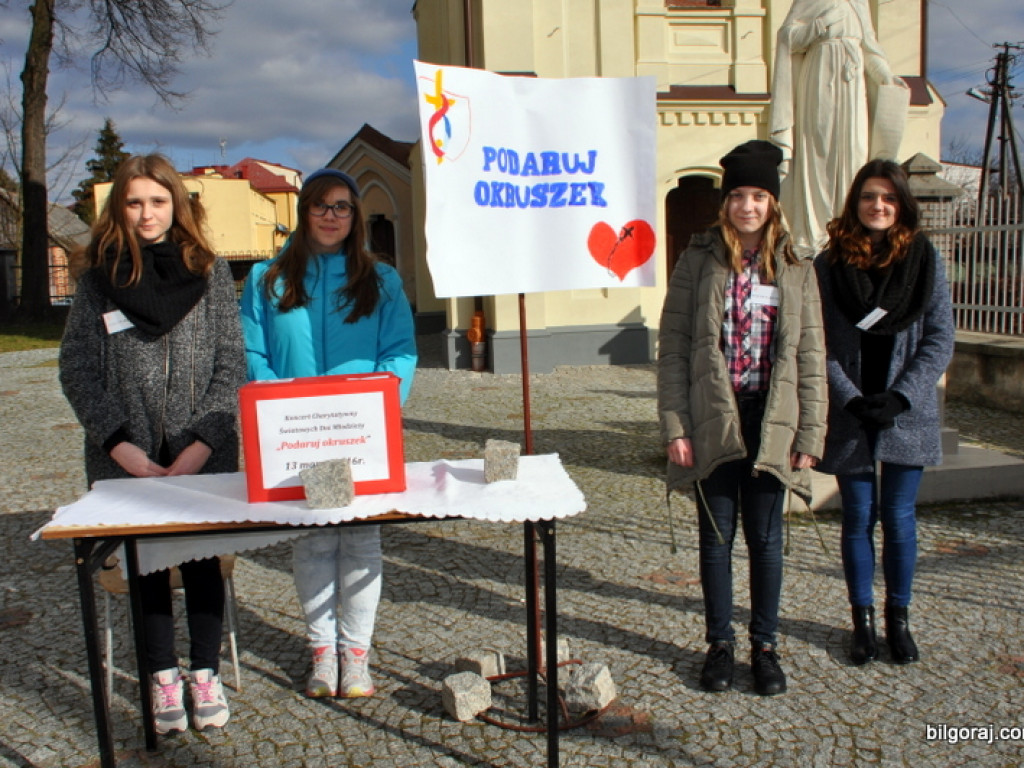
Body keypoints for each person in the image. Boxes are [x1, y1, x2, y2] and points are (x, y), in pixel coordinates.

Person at [59, 154, 245, 733]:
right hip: (128, 456)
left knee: (202, 564)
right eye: (135, 201)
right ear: (119, 208)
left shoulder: (209, 271)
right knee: (147, 568)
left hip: (202, 451)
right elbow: (77, 369)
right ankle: (162, 678)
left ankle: (205, 672)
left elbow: (231, 363)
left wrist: (202, 442)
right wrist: (118, 445)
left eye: (158, 201)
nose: (147, 213)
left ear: (177, 206)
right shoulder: (98, 281)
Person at [657, 140, 827, 696]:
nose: (747, 206)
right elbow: (674, 347)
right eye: (737, 195)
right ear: (724, 201)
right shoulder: (698, 259)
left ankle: (765, 646)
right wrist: (676, 427)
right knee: (716, 537)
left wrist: (810, 432)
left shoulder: (797, 266)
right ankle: (720, 645)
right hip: (714, 415)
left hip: (771, 418)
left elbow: (811, 354)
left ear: (772, 202)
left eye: (758, 196)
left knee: (766, 538)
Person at [240, 168, 417, 699]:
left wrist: (378, 407)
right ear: (304, 212)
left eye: (342, 206)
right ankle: (322, 651)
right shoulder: (267, 279)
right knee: (315, 540)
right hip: (297, 433)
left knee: (361, 540)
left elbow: (400, 352)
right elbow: (253, 353)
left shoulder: (381, 279)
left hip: (359, 432)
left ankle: (356, 655)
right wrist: (278, 408)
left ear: (355, 215)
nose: (331, 216)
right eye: (321, 205)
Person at [814, 159, 954, 666]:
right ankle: (863, 621)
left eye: (889, 198)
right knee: (857, 517)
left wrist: (902, 396)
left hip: (903, 411)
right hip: (851, 410)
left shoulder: (925, 260)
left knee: (898, 518)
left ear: (902, 205)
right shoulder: (829, 265)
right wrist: (849, 395)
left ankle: (899, 618)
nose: (879, 205)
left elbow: (939, 337)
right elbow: (819, 341)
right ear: (856, 201)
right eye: (870, 196)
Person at [769, 0, 909, 258]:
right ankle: (814, 234)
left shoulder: (859, 3)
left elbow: (869, 48)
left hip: (853, 91)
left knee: (855, 153)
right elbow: (788, 38)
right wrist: (818, 26)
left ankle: (851, 230)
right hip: (818, 83)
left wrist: (885, 76)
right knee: (819, 157)